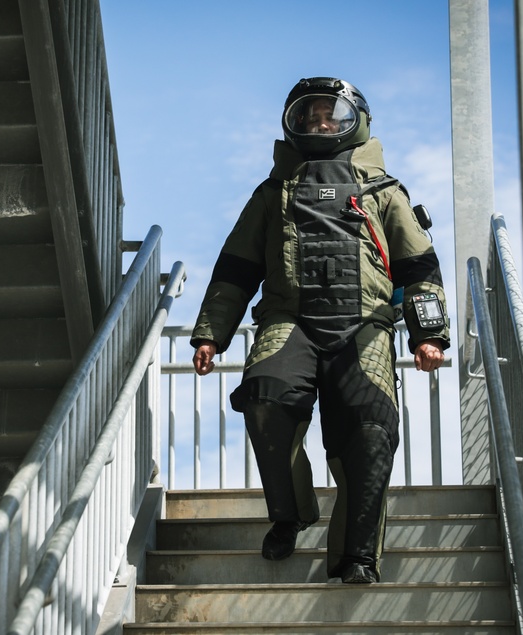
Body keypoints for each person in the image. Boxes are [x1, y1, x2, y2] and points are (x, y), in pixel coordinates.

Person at [190, 77, 450, 584]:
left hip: (365, 327)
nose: (319, 123)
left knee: (370, 431)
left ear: (356, 121)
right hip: (289, 320)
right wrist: (210, 334)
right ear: (293, 126)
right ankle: (290, 515)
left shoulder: (385, 191)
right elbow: (235, 270)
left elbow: (420, 269)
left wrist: (428, 334)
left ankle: (356, 557)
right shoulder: (271, 193)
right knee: (264, 399)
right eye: (307, 117)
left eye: (329, 114)